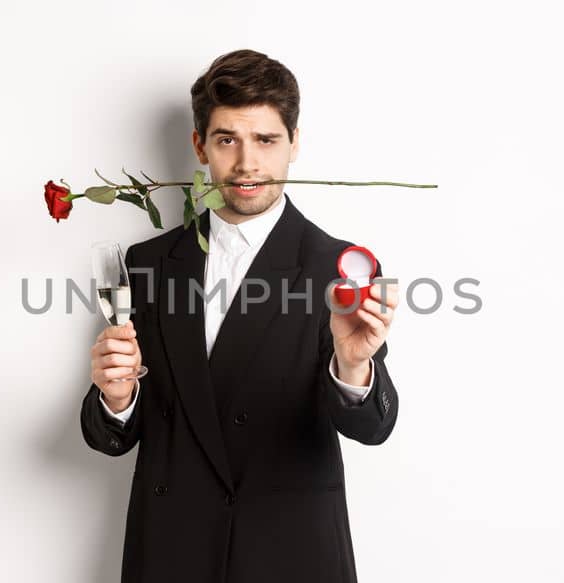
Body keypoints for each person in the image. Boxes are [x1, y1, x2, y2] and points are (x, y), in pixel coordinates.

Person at [80, 49, 401, 583]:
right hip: (172, 550)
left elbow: (373, 426)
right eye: (227, 139)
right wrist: (116, 398)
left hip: (291, 552)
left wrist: (352, 369)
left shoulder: (337, 267)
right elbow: (110, 437)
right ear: (200, 145)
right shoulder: (146, 263)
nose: (247, 163)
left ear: (295, 143)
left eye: (266, 140)